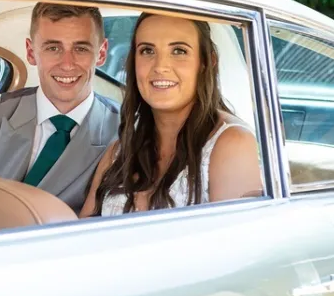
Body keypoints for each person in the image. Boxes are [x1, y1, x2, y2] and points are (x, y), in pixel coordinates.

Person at [80, 12, 263, 217]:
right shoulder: (120, 150)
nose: (160, 67)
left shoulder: (232, 143)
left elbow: (235, 245)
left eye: (178, 51)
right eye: (147, 50)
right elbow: (78, 234)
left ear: (206, 62)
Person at [0, 2, 119, 213]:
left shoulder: (125, 128)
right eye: (53, 48)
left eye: (80, 49)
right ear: (31, 52)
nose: (67, 64)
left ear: (101, 53)